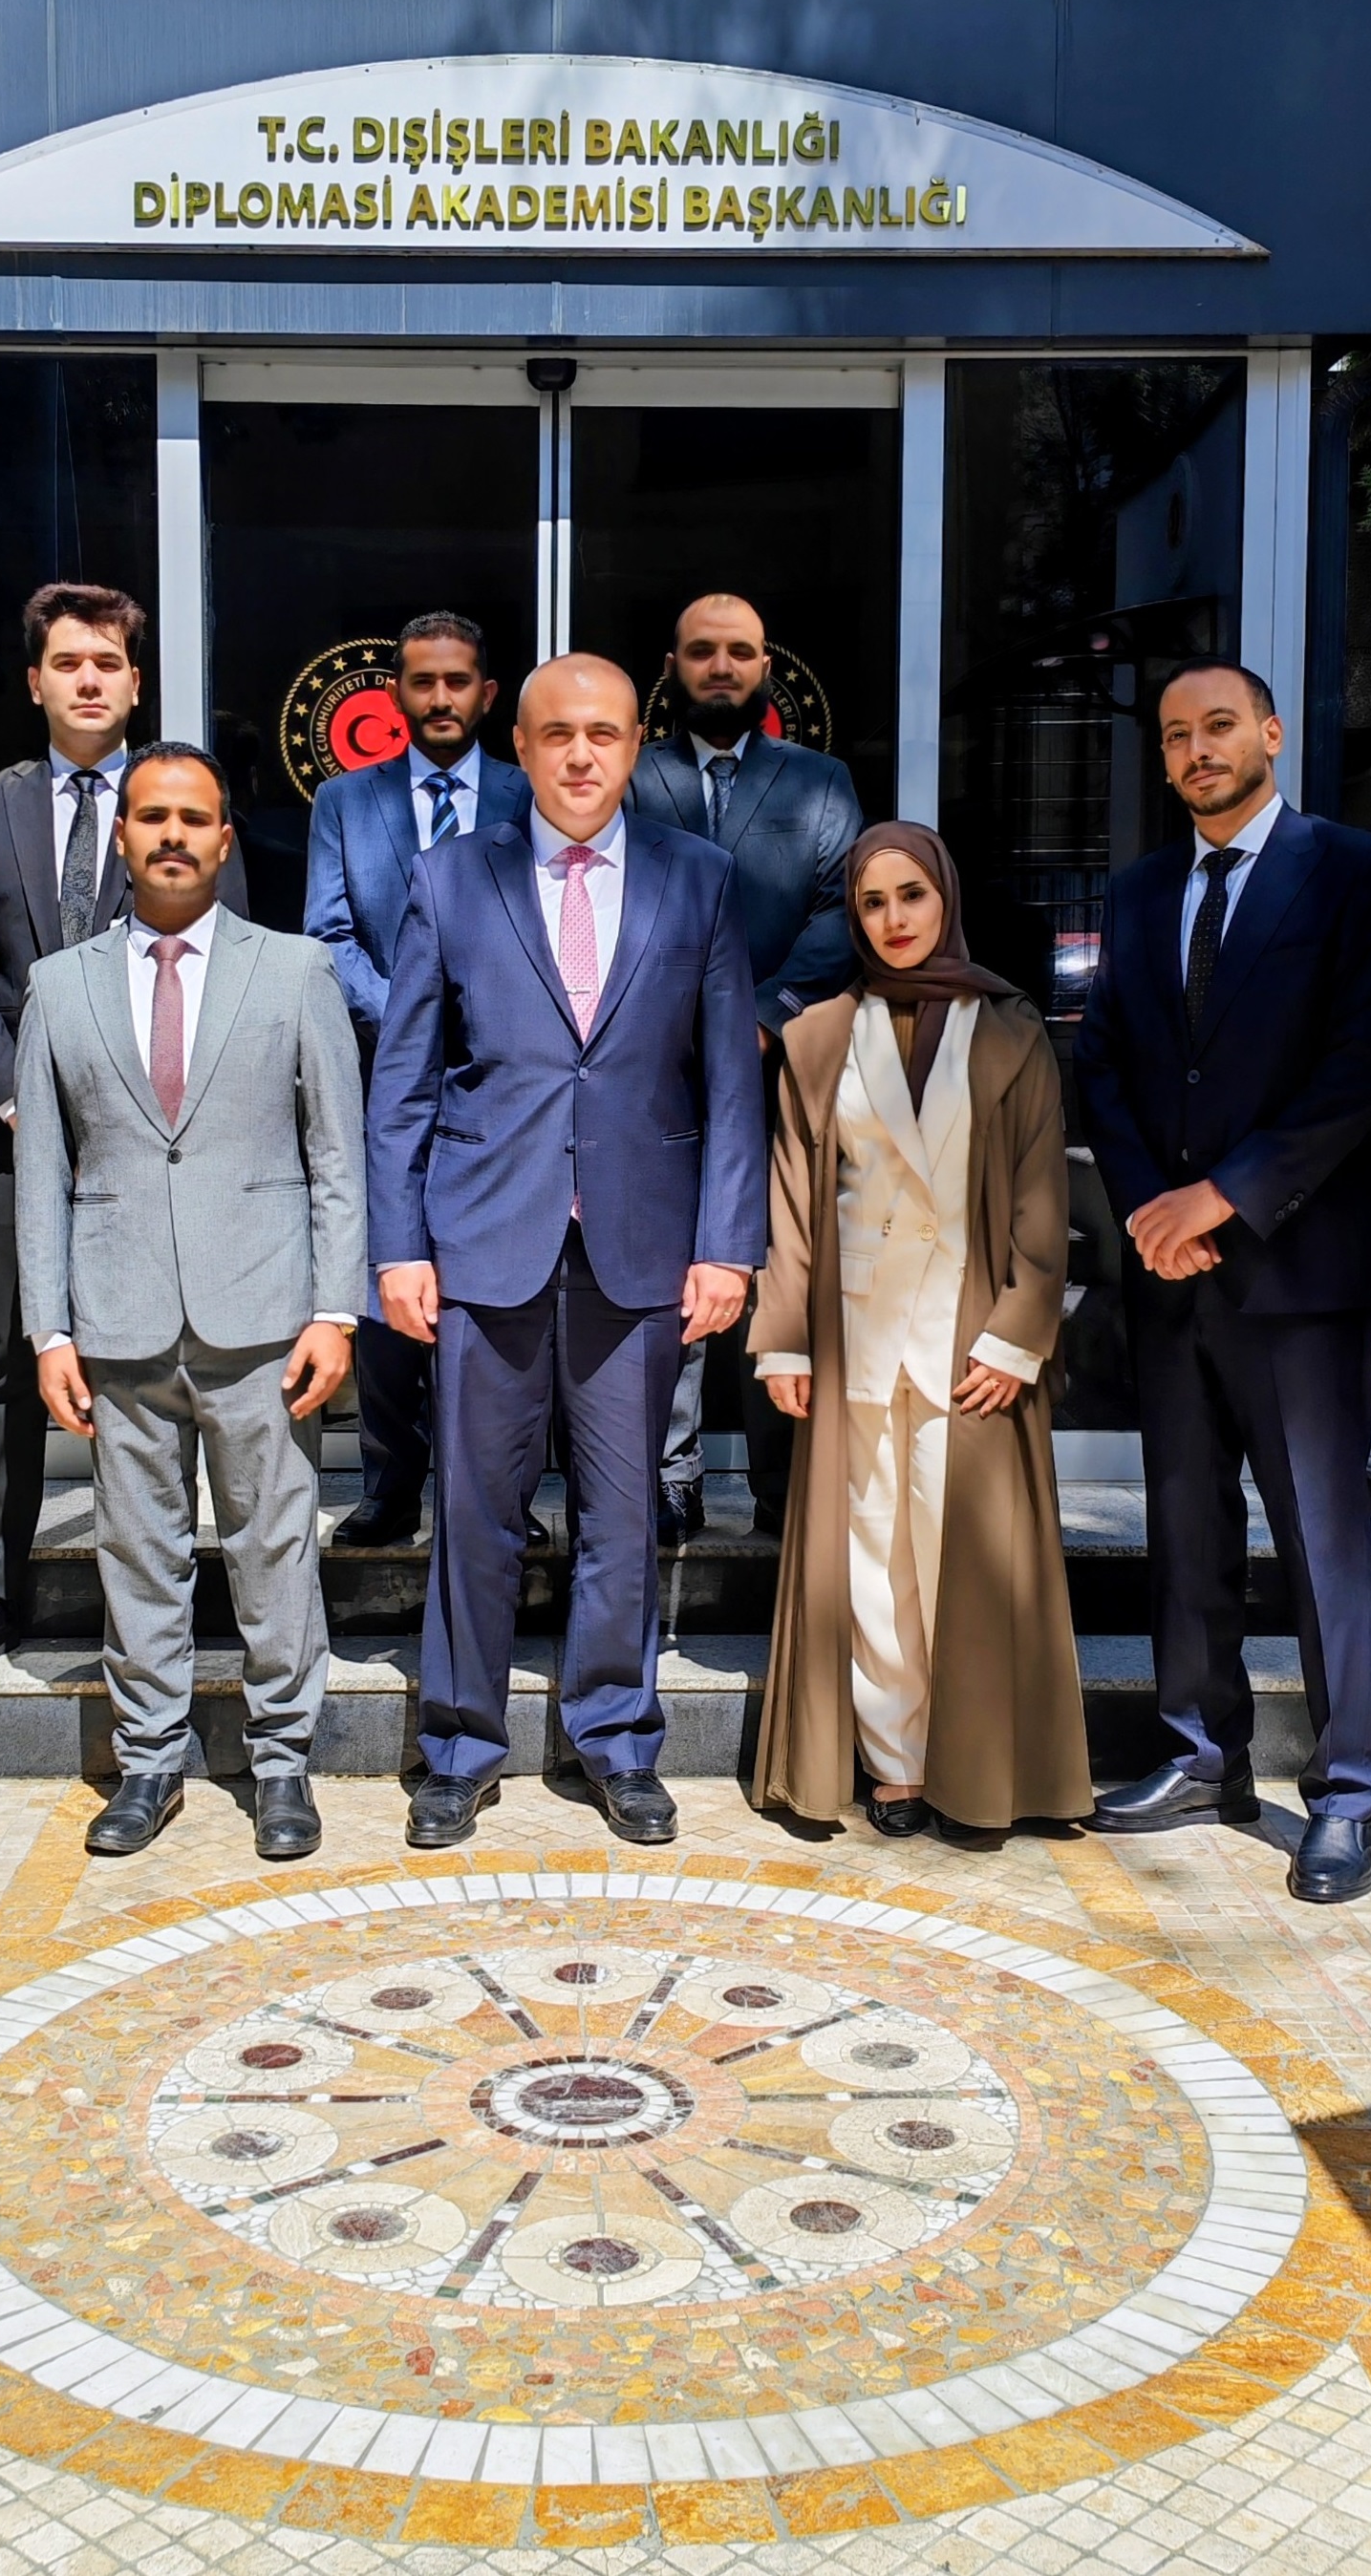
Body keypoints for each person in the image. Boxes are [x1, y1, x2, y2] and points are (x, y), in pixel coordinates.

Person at [366, 652, 766, 1849]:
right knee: (473, 1512)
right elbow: (403, 1084)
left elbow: (731, 1083)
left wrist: (729, 1247)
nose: (581, 754)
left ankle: (618, 1741)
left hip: (641, 1249)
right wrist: (397, 1246)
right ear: (522, 746)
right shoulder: (452, 877)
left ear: (636, 743)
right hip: (483, 1243)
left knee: (623, 1516)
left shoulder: (700, 878)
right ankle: (457, 1748)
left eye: (603, 733)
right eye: (557, 734)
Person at [1074, 661, 1371, 1905]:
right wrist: (1145, 1212)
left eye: (1218, 726)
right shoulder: (1140, 891)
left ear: (1269, 731)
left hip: (1298, 1273)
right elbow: (1103, 1063)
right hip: (1172, 1278)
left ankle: (1346, 1793)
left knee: (1322, 1537)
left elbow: (1365, 1061)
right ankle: (1199, 1754)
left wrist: (1219, 1197)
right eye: (1176, 735)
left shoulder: (1357, 873)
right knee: (1186, 1527)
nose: (1197, 750)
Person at [14, 742, 364, 1860]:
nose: (172, 834)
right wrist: (48, 1329)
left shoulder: (296, 970)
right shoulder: (58, 986)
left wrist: (336, 1311)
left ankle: (283, 1764)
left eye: (193, 817)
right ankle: (149, 1761)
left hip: (264, 1319)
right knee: (136, 1552)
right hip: (118, 1320)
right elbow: (42, 1174)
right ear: (120, 837)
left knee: (274, 1551)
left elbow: (336, 1156)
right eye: (152, 815)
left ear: (224, 839)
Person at [0, 581, 247, 1686]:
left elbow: (226, 967)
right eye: (68, 663)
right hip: (8, 1147)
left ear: (135, 682)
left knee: (165, 1367)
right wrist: (19, 1101)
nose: (89, 680)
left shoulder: (180, 802)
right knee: (4, 1370)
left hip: (153, 1147)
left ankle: (164, 1593)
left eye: (107, 663)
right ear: (36, 682)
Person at [750, 824, 1090, 1840]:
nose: (894, 918)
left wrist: (1017, 1332)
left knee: (964, 1557)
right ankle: (894, 1767)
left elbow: (1040, 1194)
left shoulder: (1010, 1029)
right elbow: (791, 1203)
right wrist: (783, 1337)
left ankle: (973, 1768)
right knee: (870, 1556)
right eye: (872, 902)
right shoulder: (817, 1036)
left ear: (945, 898)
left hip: (966, 1337)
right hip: (852, 1335)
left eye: (911, 895)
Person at [628, 593, 862, 1543]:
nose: (720, 667)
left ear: (766, 668)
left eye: (739, 652)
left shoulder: (820, 781)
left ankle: (779, 1483)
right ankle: (671, 1478)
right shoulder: (633, 778)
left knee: (773, 1272)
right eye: (701, 652)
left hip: (782, 1072)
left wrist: (762, 1018)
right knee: (667, 1272)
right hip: (656, 1067)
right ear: (672, 669)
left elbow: (842, 912)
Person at [303, 611, 533, 1547]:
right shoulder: (345, 802)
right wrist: (412, 1015)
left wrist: (483, 1017)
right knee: (387, 1287)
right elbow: (329, 933)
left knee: (502, 1293)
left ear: (487, 693)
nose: (441, 697)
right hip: (384, 1080)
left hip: (504, 1082)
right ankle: (391, 1487)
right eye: (423, 680)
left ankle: (500, 1497)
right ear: (395, 691)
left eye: (457, 680)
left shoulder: (528, 795)